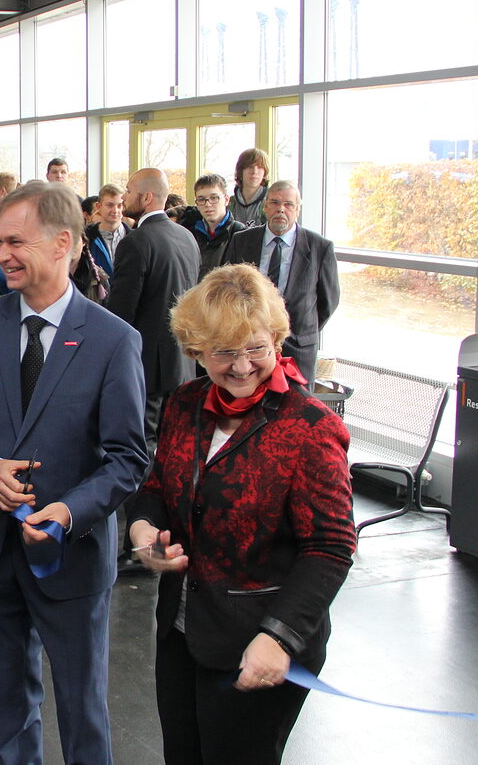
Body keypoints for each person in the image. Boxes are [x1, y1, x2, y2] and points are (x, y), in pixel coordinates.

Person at [0, 180, 147, 765]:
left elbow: (129, 458)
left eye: (14, 242)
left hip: (71, 558)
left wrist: (71, 511)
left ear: (63, 244)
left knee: (83, 709)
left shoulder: (113, 341)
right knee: (5, 702)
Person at [126, 264, 356, 765]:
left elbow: (332, 547)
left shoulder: (310, 427)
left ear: (277, 338)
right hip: (183, 633)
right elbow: (157, 487)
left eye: (256, 347)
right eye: (224, 352)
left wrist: (279, 636)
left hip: (262, 642)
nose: (243, 365)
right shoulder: (183, 405)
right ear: (196, 349)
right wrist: (144, 529)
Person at [106, 168, 200, 452]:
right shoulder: (187, 238)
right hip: (183, 364)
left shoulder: (136, 241)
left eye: (129, 191)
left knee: (143, 447)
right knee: (177, 447)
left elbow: (122, 314)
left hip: (146, 366)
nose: (124, 196)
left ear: (146, 197)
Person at [222, 181, 340, 383]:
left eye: (288, 204)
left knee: (296, 412)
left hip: (298, 350)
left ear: (297, 209)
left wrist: (302, 330)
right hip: (248, 348)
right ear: (265, 206)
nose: (281, 209)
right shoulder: (241, 241)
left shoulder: (320, 247)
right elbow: (228, 291)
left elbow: (328, 303)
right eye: (275, 203)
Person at [178, 173, 242, 277]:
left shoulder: (240, 233)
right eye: (201, 199)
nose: (208, 204)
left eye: (214, 198)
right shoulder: (189, 233)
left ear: (226, 200)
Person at [84, 183, 127, 277]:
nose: (115, 210)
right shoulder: (86, 238)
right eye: (110, 205)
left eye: (119, 205)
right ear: (99, 206)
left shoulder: (134, 238)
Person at [229, 148, 270, 228]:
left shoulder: (270, 202)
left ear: (265, 172)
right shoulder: (229, 203)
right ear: (240, 171)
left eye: (260, 167)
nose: (254, 171)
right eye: (249, 167)